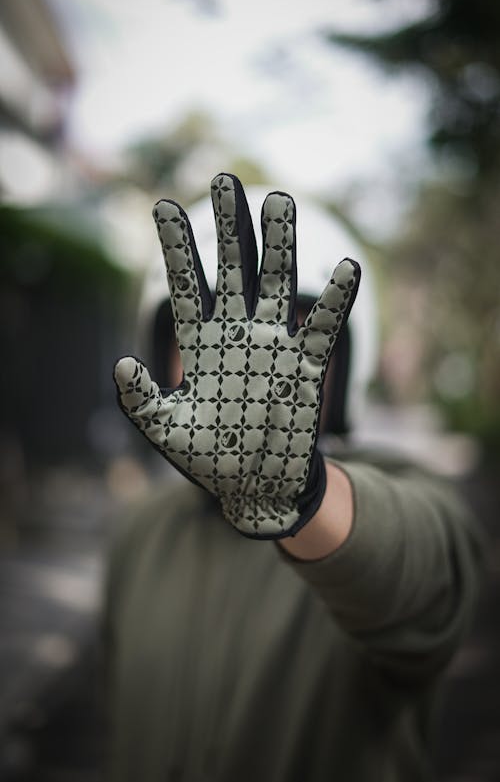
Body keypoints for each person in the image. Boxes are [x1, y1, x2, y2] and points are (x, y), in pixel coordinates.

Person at [108, 172, 482, 782]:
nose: (245, 375)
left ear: (342, 363)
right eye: (207, 335)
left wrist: (302, 492)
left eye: (290, 334)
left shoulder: (407, 492)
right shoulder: (141, 532)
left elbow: (423, 580)